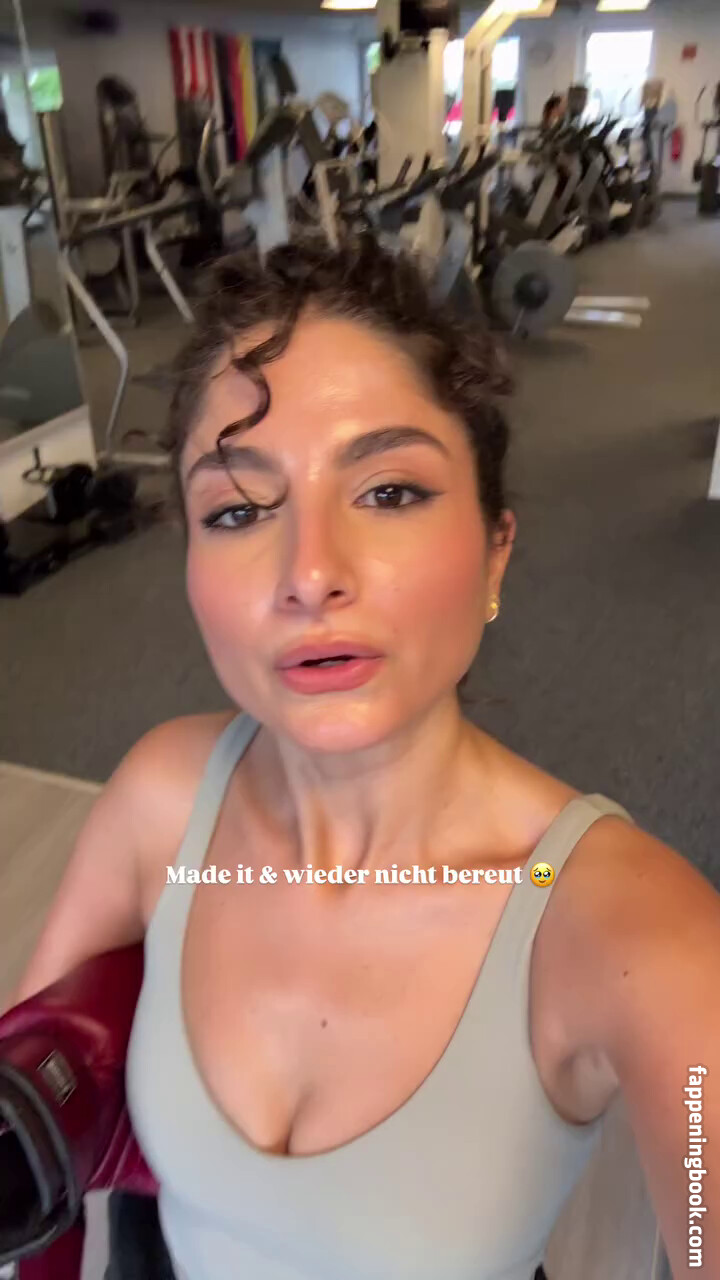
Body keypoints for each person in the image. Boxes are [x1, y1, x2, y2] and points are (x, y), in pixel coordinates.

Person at [12, 234, 719, 1279]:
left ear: (495, 552)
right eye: (239, 509)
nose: (310, 573)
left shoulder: (635, 936)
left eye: (388, 491)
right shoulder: (162, 802)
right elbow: (28, 1102)